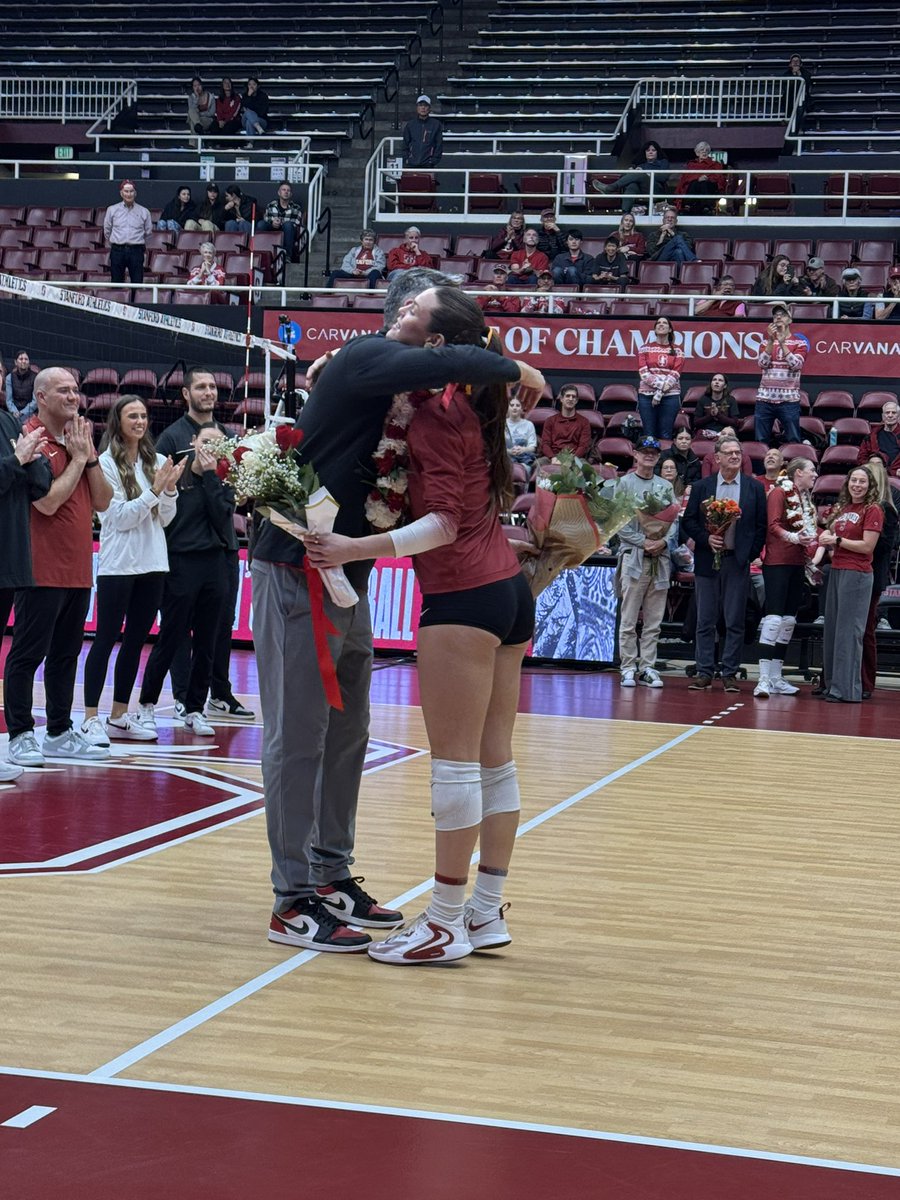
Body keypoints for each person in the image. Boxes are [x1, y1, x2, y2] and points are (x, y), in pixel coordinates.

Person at [253, 285, 542, 954]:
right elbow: (451, 369)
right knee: (298, 735)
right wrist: (515, 364)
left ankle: (330, 874)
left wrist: (497, 361)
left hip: (351, 571)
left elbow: (439, 377)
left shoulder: (417, 392)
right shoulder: (365, 358)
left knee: (349, 731)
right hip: (296, 564)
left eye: (417, 308)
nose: (402, 307)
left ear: (439, 342)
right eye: (406, 303)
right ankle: (291, 898)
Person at [4, 368, 113, 768]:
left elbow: (102, 502)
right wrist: (78, 459)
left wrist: (89, 458)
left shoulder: (79, 439)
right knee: (27, 654)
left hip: (79, 569)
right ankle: (18, 735)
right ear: (41, 397)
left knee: (66, 655)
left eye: (76, 389)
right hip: (40, 567)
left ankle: (60, 731)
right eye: (63, 390)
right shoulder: (29, 437)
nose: (74, 396)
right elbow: (47, 502)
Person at [80, 397, 185, 746]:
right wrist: (156, 489)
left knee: (135, 643)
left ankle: (119, 716)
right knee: (106, 639)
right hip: (118, 566)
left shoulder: (154, 460)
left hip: (153, 563)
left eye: (143, 415)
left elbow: (166, 519)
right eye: (132, 415)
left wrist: (169, 490)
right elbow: (119, 518)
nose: (140, 421)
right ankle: (91, 718)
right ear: (118, 421)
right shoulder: (106, 463)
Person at [155, 367, 251, 721]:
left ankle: (219, 693)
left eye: (212, 386)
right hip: (181, 550)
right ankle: (183, 696)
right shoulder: (170, 438)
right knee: (178, 627)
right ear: (185, 394)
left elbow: (233, 496)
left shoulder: (225, 436)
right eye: (201, 387)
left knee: (220, 625)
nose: (209, 392)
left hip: (223, 547)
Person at [136, 423, 235, 735]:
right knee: (171, 636)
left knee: (208, 641)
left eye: (218, 446)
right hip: (179, 562)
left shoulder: (222, 478)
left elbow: (222, 518)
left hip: (214, 563)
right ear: (193, 441)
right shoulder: (175, 471)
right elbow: (166, 518)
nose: (210, 449)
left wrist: (210, 476)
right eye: (206, 441)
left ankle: (195, 709)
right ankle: (147, 704)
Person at [682, 433, 767, 692]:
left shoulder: (754, 488)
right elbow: (688, 523)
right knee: (705, 620)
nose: (734, 456)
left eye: (738, 453)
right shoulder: (701, 487)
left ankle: (730, 672)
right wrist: (707, 539)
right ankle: (704, 671)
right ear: (716, 458)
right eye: (729, 453)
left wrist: (748, 554)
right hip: (708, 561)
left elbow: (760, 526)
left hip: (737, 563)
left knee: (734, 621)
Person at [0, 403, 52, 782]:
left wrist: (28, 460)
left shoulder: (7, 420)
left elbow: (39, 483)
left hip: (8, 559)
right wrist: (16, 460)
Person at [816, 466, 883, 703]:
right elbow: (835, 543)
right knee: (833, 630)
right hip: (837, 571)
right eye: (853, 480)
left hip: (858, 575)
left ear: (870, 485)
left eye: (862, 481)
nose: (857, 485)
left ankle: (847, 690)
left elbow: (867, 547)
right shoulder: (842, 508)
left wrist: (837, 540)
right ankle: (832, 685)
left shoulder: (873, 509)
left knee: (849, 633)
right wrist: (828, 544)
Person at [616, 437, 677, 689]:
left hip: (659, 558)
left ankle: (648, 666)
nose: (649, 456)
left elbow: (674, 522)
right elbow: (617, 522)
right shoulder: (624, 483)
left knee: (654, 619)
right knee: (629, 617)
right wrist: (644, 542)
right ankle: (628, 666)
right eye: (645, 452)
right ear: (635, 455)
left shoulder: (665, 486)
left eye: (654, 452)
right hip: (634, 556)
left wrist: (663, 542)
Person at [754, 457, 818, 698]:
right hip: (777, 563)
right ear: (798, 472)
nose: (815, 474)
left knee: (789, 620)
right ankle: (762, 679)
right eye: (811, 471)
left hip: (797, 563)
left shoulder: (805, 499)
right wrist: (794, 539)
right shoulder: (779, 493)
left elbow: (808, 529)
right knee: (773, 618)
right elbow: (773, 525)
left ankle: (776, 676)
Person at [860, 457, 899, 699]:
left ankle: (866, 681)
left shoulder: (887, 510)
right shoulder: (858, 506)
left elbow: (885, 545)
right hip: (853, 572)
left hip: (872, 574)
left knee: (866, 629)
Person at [754, 302, 806, 445]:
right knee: (760, 441)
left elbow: (796, 365)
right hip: (764, 399)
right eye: (775, 315)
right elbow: (762, 364)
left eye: (782, 315)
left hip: (789, 401)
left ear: (790, 320)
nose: (778, 317)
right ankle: (759, 468)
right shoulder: (765, 343)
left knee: (793, 440)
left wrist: (783, 343)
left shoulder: (799, 343)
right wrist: (772, 341)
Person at [637, 315, 684, 440]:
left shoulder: (678, 350)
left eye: (664, 323)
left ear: (670, 329)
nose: (661, 324)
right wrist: (659, 389)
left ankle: (664, 459)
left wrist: (659, 393)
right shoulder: (644, 348)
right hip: (646, 396)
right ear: (655, 329)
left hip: (670, 396)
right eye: (658, 323)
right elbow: (644, 372)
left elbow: (675, 373)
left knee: (665, 433)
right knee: (649, 433)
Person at [593, 141, 670, 213]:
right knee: (632, 186)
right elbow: (623, 177)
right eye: (648, 150)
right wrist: (629, 172)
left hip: (656, 190)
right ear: (644, 153)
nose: (650, 152)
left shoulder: (663, 162)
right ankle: (625, 213)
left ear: (657, 152)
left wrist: (646, 173)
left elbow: (664, 177)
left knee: (639, 174)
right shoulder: (640, 165)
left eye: (653, 150)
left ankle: (610, 188)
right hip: (641, 191)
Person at [103, 180, 152, 285]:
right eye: (126, 191)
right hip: (117, 250)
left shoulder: (144, 211)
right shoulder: (112, 210)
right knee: (116, 282)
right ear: (121, 193)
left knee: (137, 282)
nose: (129, 194)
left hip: (136, 251)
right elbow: (107, 230)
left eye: (131, 191)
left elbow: (148, 232)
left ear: (135, 193)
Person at [539, 384, 593, 463]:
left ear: (576, 400)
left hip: (574, 458)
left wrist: (571, 460)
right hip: (554, 457)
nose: (571, 399)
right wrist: (552, 458)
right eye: (568, 396)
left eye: (573, 397)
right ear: (561, 399)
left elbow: (583, 446)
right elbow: (545, 444)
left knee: (584, 465)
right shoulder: (550, 421)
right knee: (540, 463)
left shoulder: (584, 422)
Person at [674, 141, 727, 214]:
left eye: (706, 150)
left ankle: (706, 206)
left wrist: (707, 177)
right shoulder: (691, 165)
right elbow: (686, 178)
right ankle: (688, 206)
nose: (704, 152)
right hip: (693, 186)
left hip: (709, 185)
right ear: (697, 153)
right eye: (702, 150)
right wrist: (698, 178)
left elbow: (718, 177)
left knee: (703, 183)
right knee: (695, 182)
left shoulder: (715, 164)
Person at [259, 182, 304, 262]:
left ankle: (287, 256)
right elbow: (267, 218)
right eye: (283, 190)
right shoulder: (271, 205)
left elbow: (296, 223)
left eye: (288, 190)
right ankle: (261, 253)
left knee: (288, 225)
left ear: (290, 194)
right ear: (279, 193)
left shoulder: (296, 208)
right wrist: (273, 222)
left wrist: (281, 222)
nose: (286, 192)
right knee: (261, 224)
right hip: (272, 227)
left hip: (287, 230)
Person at [856, 398, 900, 474]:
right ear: (883, 416)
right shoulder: (872, 436)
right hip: (875, 474)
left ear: (898, 416)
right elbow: (861, 459)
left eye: (893, 413)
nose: (890, 415)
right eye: (887, 413)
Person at [402, 94, 443, 168]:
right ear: (417, 108)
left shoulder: (436, 125)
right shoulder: (410, 125)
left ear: (429, 108)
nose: (423, 108)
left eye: (426, 105)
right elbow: (405, 144)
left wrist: (433, 161)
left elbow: (439, 145)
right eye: (420, 105)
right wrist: (407, 159)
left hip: (428, 165)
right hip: (411, 164)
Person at [505, 393, 537, 469]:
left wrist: (523, 449)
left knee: (525, 469)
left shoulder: (529, 424)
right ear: (507, 408)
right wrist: (509, 451)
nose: (514, 408)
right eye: (512, 405)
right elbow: (497, 447)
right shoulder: (502, 424)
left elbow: (533, 447)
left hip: (524, 460)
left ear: (522, 408)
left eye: (518, 405)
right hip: (506, 458)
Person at [5, 350, 37, 423]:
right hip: (14, 413)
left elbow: (35, 402)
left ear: (29, 362)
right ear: (16, 362)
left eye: (26, 359)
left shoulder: (35, 378)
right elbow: (9, 400)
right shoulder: (9, 378)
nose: (24, 361)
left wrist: (22, 413)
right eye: (21, 359)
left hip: (30, 413)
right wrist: (15, 412)